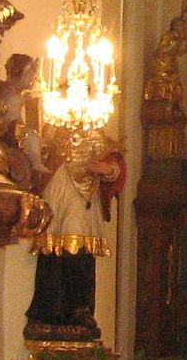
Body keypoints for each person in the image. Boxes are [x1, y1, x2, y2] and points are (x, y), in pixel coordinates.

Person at [25, 127, 125, 340]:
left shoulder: (97, 136)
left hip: (83, 198)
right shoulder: (56, 128)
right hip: (58, 191)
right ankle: (48, 309)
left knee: (78, 246)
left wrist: (107, 169)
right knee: (52, 251)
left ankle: (79, 308)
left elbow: (115, 165)